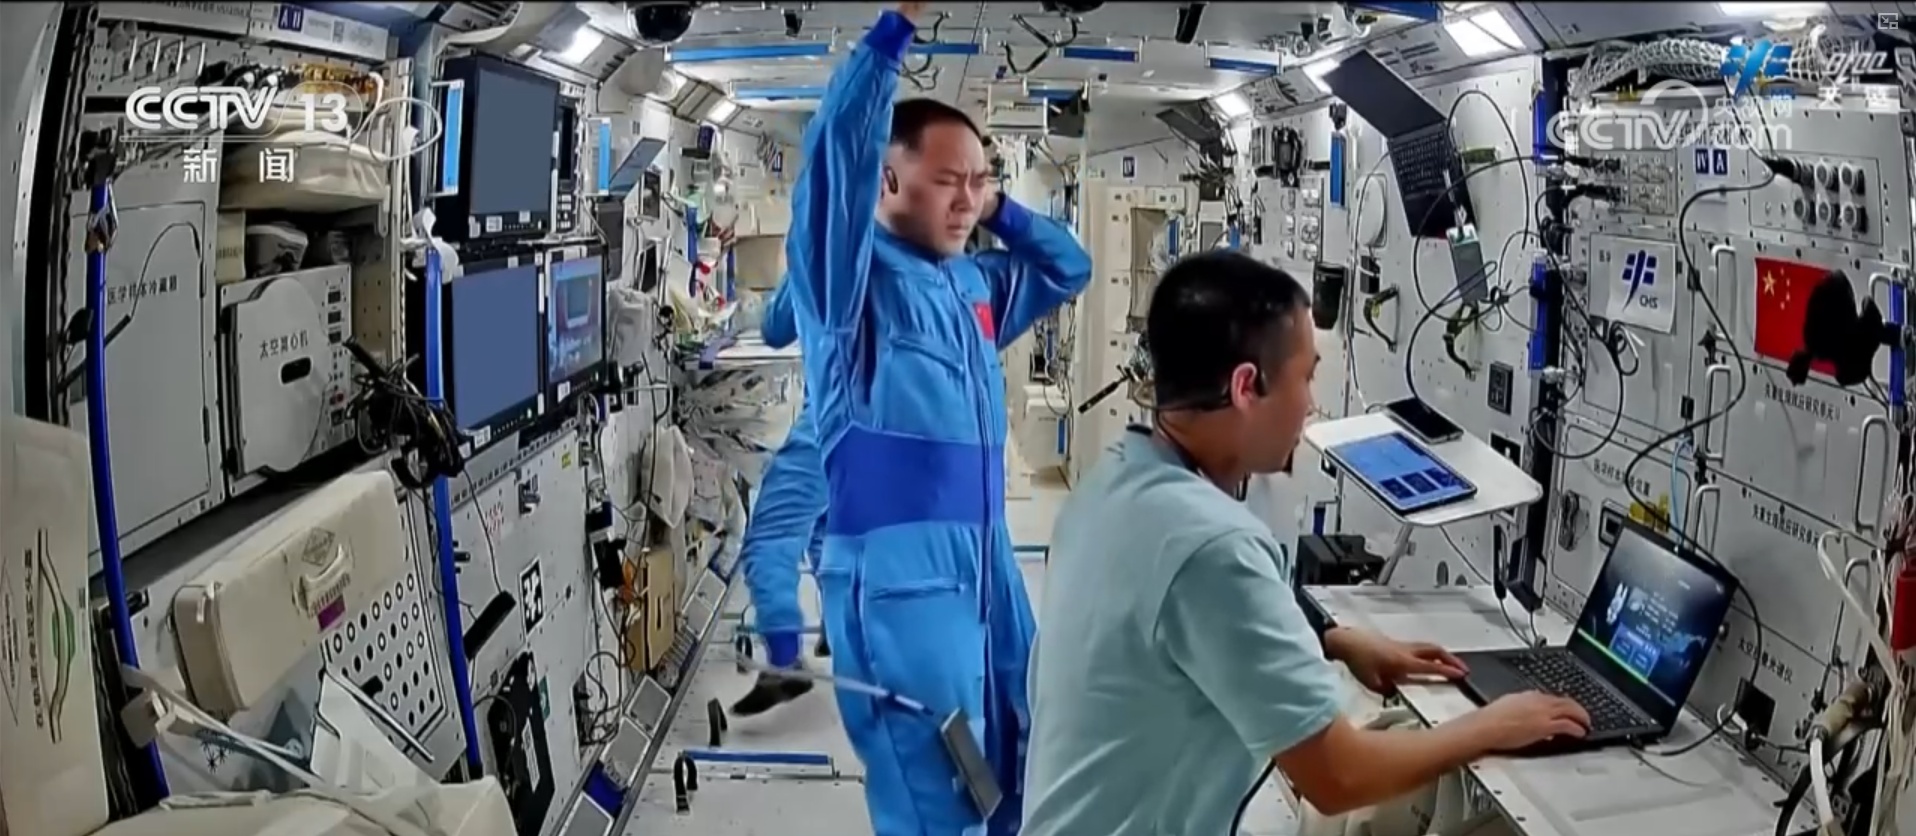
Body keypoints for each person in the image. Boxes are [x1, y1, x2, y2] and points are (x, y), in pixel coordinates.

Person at [1021, 251, 1590, 836]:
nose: (1312, 404)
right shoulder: (1214, 544)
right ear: (1246, 387)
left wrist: (1331, 641)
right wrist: (1493, 726)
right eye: (1306, 377)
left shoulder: (1113, 482)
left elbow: (1170, 622)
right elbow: (1338, 776)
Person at [783, 3, 1094, 833]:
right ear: (887, 182)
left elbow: (1070, 268)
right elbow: (835, 159)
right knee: (942, 802)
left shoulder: (969, 284)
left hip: (985, 569)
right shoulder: (848, 288)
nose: (966, 201)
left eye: (978, 181)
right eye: (947, 181)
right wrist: (894, 30)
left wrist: (997, 209)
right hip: (903, 587)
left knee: (1017, 763)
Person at [731, 278, 832, 717]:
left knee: (770, 539)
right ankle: (842, 632)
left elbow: (775, 327)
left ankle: (785, 662)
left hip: (834, 419)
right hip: (891, 424)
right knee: (828, 529)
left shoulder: (819, 246)